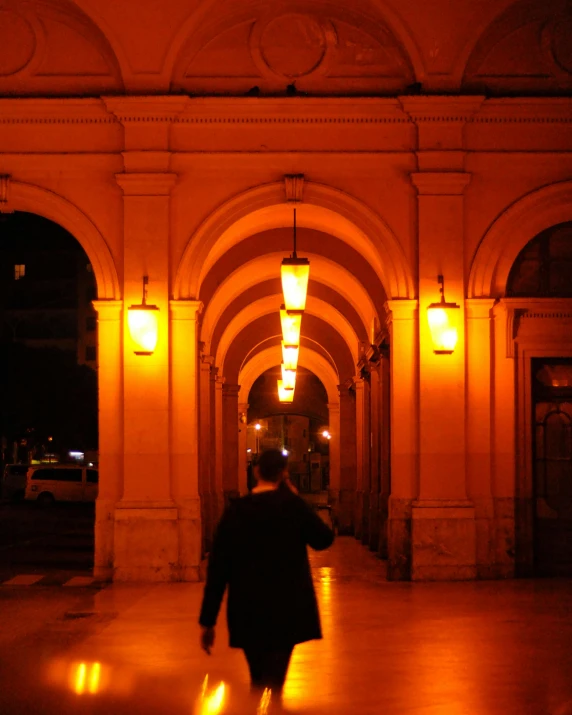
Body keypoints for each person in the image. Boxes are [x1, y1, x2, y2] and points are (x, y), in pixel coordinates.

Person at [199, 448, 334, 700]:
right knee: (275, 683)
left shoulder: (236, 511)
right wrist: (297, 500)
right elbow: (323, 539)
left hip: (247, 609)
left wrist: (208, 621)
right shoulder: (292, 507)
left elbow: (218, 569)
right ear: (284, 474)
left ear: (256, 471)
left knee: (257, 678)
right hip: (288, 609)